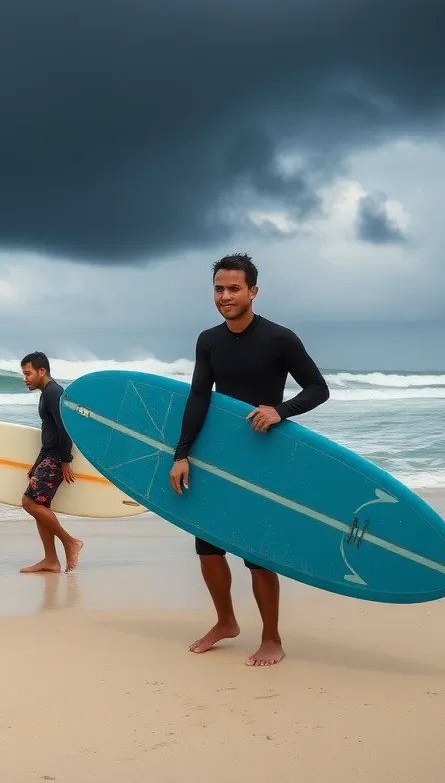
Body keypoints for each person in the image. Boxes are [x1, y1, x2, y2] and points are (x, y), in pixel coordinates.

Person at [169, 253, 330, 666]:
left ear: (253, 291)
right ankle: (225, 622)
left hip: (262, 453)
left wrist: (281, 411)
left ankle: (272, 638)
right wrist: (182, 453)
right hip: (218, 452)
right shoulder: (208, 340)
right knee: (206, 544)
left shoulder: (280, 338)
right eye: (219, 289)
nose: (225, 296)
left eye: (234, 288)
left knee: (257, 549)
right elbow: (199, 396)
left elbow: (317, 388)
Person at [18, 352, 84, 573]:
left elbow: (65, 428)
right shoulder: (47, 393)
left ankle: (70, 542)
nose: (25, 378)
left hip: (56, 458)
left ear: (41, 371)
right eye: (24, 374)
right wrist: (37, 463)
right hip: (50, 456)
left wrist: (66, 460)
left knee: (29, 503)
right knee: (40, 507)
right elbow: (49, 432)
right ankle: (51, 560)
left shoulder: (54, 393)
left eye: (28, 373)